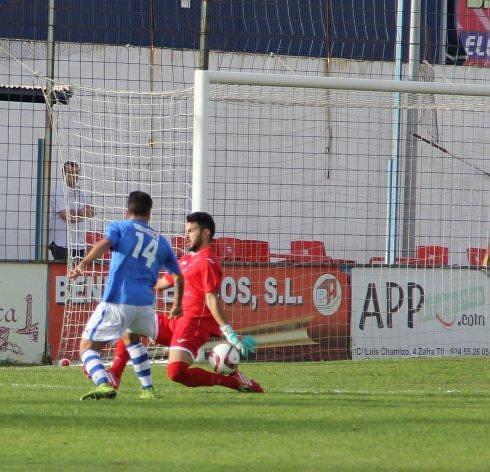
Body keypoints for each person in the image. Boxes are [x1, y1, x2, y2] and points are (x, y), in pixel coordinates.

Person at [106, 211, 263, 393]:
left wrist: (229, 333)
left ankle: (235, 381)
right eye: (186, 230)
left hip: (194, 324)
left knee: (175, 373)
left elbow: (211, 299)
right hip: (177, 322)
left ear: (205, 233)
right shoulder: (186, 260)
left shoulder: (208, 261)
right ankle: (114, 375)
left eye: (191, 231)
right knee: (130, 323)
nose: (186, 235)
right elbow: (159, 284)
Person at [69, 191, 184, 400]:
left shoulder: (120, 227)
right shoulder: (162, 241)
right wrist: (176, 304)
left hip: (119, 300)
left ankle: (103, 384)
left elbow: (104, 244)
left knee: (86, 347)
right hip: (146, 305)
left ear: (127, 210)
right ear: (149, 213)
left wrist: (82, 265)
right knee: (132, 338)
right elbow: (178, 276)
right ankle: (148, 389)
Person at [49, 161, 95, 261]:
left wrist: (75, 213)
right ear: (63, 175)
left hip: (79, 244)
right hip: (61, 243)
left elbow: (92, 212)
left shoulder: (81, 193)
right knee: (63, 274)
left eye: (76, 173)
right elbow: (67, 217)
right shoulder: (59, 192)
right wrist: (82, 213)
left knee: (78, 274)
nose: (74, 176)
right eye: (70, 173)